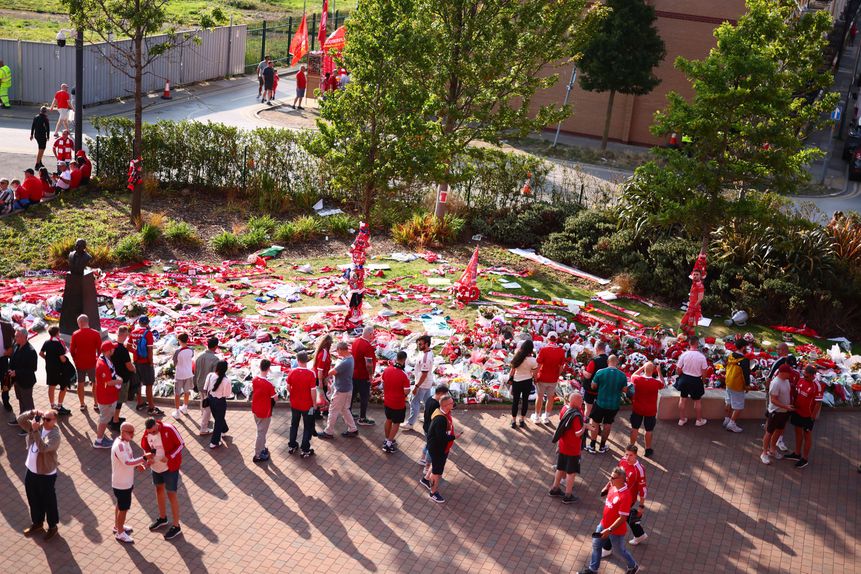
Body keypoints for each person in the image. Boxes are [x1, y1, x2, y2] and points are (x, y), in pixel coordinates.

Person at [577, 466, 639, 574]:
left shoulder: (625, 496)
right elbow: (609, 486)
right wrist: (605, 488)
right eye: (610, 476)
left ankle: (633, 565)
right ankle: (593, 570)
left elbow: (622, 518)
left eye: (613, 477)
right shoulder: (612, 486)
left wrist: (609, 530)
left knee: (619, 550)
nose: (610, 479)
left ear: (621, 479)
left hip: (616, 531)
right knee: (596, 545)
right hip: (603, 524)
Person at [18, 408, 61, 540]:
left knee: (48, 501)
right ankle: (37, 523)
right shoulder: (38, 426)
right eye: (43, 418)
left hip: (46, 474)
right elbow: (20, 420)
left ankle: (52, 527)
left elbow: (43, 448)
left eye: (48, 419)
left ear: (54, 421)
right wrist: (32, 412)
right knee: (33, 498)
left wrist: (35, 431)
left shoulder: (55, 436)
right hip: (31, 470)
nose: (44, 421)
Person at [141, 417, 184, 540]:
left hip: (170, 467)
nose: (152, 434)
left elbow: (181, 444)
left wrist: (169, 456)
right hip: (156, 467)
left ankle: (176, 526)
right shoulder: (147, 433)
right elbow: (145, 447)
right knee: (159, 489)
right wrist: (148, 456)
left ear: (156, 424)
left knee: (171, 494)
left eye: (154, 431)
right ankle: (162, 518)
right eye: (149, 432)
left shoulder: (169, 429)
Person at [602, 446, 649, 555]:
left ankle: (606, 548)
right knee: (626, 516)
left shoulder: (639, 469)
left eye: (630, 455)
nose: (627, 457)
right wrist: (607, 487)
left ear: (636, 455)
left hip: (627, 499)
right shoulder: (622, 461)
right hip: (617, 494)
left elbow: (643, 489)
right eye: (626, 454)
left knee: (615, 519)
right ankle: (639, 534)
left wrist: (641, 506)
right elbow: (615, 475)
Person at [111, 422, 153, 543]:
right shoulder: (120, 446)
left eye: (133, 432)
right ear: (123, 432)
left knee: (120, 505)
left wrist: (137, 465)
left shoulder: (125, 442)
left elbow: (129, 460)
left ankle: (118, 526)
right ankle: (120, 533)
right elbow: (127, 462)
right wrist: (144, 458)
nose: (132, 435)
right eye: (130, 432)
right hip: (122, 484)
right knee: (123, 508)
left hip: (125, 482)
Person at [549, 392, 587, 504]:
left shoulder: (564, 409)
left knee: (560, 468)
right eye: (580, 400)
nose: (582, 402)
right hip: (572, 449)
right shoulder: (577, 414)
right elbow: (578, 433)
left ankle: (554, 489)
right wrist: (585, 427)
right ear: (575, 401)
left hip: (563, 445)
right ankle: (568, 495)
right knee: (571, 472)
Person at [423, 395, 461, 503]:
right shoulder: (440, 419)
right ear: (444, 405)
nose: (453, 404)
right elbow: (441, 438)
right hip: (438, 449)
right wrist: (454, 437)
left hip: (440, 447)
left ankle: (426, 479)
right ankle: (433, 493)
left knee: (435, 465)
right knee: (437, 473)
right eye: (451, 403)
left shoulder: (442, 412)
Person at [587, 355, 628, 454]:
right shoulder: (622, 375)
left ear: (607, 362)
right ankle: (602, 446)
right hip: (613, 405)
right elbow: (625, 390)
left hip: (600, 402)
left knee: (595, 423)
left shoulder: (600, 372)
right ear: (617, 363)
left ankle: (592, 445)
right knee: (607, 425)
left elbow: (593, 386)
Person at [784, 366, 824, 469]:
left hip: (808, 416)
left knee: (807, 436)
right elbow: (797, 394)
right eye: (804, 375)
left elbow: (818, 403)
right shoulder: (801, 380)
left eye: (806, 376)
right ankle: (797, 453)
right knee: (797, 432)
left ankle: (805, 458)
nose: (804, 377)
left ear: (812, 375)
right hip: (797, 412)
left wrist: (812, 417)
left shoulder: (817, 386)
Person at [320, 341, 358, 439]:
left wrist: (331, 369)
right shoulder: (350, 358)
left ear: (341, 350)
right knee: (345, 409)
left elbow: (331, 372)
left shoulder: (345, 362)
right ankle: (353, 429)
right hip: (348, 388)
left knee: (333, 410)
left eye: (337, 351)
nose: (337, 353)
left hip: (341, 390)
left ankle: (328, 432)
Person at [760, 364, 795, 465]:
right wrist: (786, 406)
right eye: (788, 373)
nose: (790, 375)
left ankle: (772, 449)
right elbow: (773, 400)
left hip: (784, 412)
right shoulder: (775, 383)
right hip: (775, 412)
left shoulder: (786, 381)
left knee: (779, 431)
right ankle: (764, 453)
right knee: (769, 432)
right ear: (783, 373)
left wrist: (787, 407)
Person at [628, 361, 664, 457]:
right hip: (650, 410)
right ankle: (647, 449)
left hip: (637, 408)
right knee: (649, 430)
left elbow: (633, 375)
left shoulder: (637, 379)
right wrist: (659, 372)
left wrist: (642, 367)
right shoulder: (656, 383)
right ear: (653, 371)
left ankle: (631, 447)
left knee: (635, 428)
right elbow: (663, 383)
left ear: (644, 369)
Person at [6, 328, 38, 435]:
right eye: (15, 335)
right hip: (17, 381)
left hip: (26, 382)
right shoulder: (16, 345)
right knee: (21, 400)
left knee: (28, 403)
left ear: (24, 337)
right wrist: (10, 369)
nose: (15, 338)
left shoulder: (31, 351)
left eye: (17, 336)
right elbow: (12, 360)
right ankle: (21, 419)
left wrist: (17, 372)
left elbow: (32, 369)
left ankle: (30, 426)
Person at [287, 351, 318, 457]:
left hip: (295, 404)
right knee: (307, 426)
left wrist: (293, 395)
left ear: (297, 360)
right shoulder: (311, 374)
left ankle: (292, 445)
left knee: (294, 425)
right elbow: (313, 391)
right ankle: (305, 449)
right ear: (307, 360)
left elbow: (288, 386)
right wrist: (314, 403)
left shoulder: (292, 372)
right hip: (307, 405)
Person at [70, 313, 101, 413]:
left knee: (80, 383)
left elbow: (72, 350)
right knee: (95, 383)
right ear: (87, 322)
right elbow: (100, 350)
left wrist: (75, 360)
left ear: (80, 323)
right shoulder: (96, 333)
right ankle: (96, 403)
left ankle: (82, 404)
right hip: (93, 362)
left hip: (80, 363)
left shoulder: (75, 334)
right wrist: (99, 361)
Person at [94, 341, 123, 449]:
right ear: (108, 351)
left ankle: (100, 437)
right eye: (112, 348)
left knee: (105, 418)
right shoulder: (102, 365)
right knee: (104, 419)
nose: (114, 349)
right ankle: (99, 441)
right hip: (106, 397)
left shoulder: (105, 359)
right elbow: (109, 382)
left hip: (108, 395)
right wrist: (119, 381)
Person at [132, 316, 162, 416]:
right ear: (147, 323)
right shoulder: (148, 333)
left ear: (139, 322)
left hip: (136, 361)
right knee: (149, 384)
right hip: (145, 362)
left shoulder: (133, 332)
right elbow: (149, 349)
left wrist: (135, 353)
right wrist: (151, 362)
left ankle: (139, 403)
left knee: (138, 383)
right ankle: (151, 407)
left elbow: (128, 345)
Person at [533, 331, 566, 424]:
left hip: (542, 377)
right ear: (556, 339)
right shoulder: (561, 351)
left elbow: (538, 365)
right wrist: (557, 376)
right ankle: (546, 417)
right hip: (553, 378)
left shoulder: (544, 350)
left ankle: (537, 417)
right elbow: (561, 367)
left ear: (548, 339)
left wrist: (535, 376)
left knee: (539, 397)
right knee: (550, 397)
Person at [676, 335, 709, 427]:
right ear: (697, 344)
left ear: (689, 343)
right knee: (697, 401)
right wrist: (703, 381)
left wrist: (681, 376)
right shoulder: (701, 357)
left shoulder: (684, 354)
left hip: (685, 379)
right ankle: (698, 420)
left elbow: (678, 369)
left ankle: (681, 419)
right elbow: (704, 372)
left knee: (682, 399)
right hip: (696, 380)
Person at [382, 351, 411, 453]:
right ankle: (389, 444)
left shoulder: (387, 370)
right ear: (404, 360)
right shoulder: (404, 375)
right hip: (398, 403)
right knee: (396, 423)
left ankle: (387, 439)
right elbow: (406, 391)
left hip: (387, 401)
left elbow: (383, 384)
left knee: (388, 419)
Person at [40, 326, 73, 416]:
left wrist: (48, 359)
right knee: (63, 386)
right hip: (59, 369)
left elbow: (41, 353)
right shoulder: (58, 344)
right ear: (57, 333)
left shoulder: (47, 342)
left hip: (50, 368)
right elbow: (62, 359)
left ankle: (52, 405)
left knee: (51, 386)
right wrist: (66, 361)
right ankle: (59, 406)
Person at [405, 334, 434, 430]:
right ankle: (427, 418)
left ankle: (410, 423)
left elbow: (424, 374)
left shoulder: (426, 358)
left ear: (426, 344)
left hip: (422, 384)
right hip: (427, 383)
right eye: (418, 343)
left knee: (414, 403)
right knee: (427, 402)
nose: (418, 345)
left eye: (420, 344)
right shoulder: (428, 352)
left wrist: (416, 386)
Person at [251, 359, 277, 462]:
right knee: (261, 433)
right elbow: (275, 398)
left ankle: (262, 448)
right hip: (265, 411)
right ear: (268, 368)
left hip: (256, 409)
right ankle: (258, 454)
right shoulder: (269, 384)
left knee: (261, 430)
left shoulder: (255, 379)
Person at [110, 326, 135, 432]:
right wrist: (134, 369)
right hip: (122, 378)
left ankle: (112, 417)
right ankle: (115, 421)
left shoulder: (111, 344)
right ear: (125, 334)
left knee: (113, 399)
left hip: (112, 377)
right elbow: (129, 366)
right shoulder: (123, 350)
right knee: (119, 401)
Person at [723, 339, 751, 433]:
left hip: (729, 382)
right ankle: (731, 424)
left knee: (728, 402)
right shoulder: (744, 360)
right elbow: (746, 375)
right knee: (738, 406)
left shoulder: (730, 356)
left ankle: (726, 420)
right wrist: (747, 386)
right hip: (737, 385)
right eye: (746, 347)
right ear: (743, 347)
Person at [351, 326, 377, 426]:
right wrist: (370, 375)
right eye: (372, 334)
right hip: (363, 376)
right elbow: (368, 364)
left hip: (354, 374)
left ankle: (348, 413)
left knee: (352, 395)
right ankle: (362, 418)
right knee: (364, 397)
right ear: (370, 334)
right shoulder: (367, 346)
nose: (373, 336)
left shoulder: (356, 341)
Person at [508, 338, 537, 428]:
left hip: (517, 381)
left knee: (515, 401)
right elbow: (534, 373)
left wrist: (510, 379)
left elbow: (512, 371)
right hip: (527, 381)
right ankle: (522, 420)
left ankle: (513, 420)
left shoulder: (517, 356)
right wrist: (535, 379)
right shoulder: (533, 360)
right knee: (525, 401)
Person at [419, 384, 450, 468]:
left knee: (428, 444)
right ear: (440, 393)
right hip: (431, 429)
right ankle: (427, 465)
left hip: (426, 426)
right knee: (432, 448)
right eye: (445, 394)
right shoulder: (436, 405)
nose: (446, 396)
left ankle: (422, 459)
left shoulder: (430, 398)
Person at [203, 360, 231, 449]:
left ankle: (224, 429)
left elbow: (205, 387)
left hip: (211, 399)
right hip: (220, 401)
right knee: (218, 420)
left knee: (218, 417)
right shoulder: (226, 380)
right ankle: (214, 442)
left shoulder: (210, 375)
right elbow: (227, 394)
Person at [194, 337, 219, 435]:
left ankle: (205, 419)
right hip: (208, 387)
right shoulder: (215, 359)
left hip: (200, 384)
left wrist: (195, 384)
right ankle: (203, 428)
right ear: (216, 346)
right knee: (208, 407)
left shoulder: (199, 356)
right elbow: (214, 376)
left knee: (203, 402)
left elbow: (195, 372)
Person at [582, 341, 609, 418]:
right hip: (603, 389)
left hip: (591, 389)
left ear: (596, 349)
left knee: (588, 408)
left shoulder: (594, 360)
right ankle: (597, 422)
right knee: (600, 408)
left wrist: (582, 370)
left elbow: (588, 375)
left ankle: (586, 421)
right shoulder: (609, 360)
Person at [171, 333, 194, 418]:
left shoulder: (177, 351)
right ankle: (185, 407)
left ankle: (177, 412)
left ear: (179, 340)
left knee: (177, 394)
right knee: (186, 392)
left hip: (179, 374)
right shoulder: (191, 350)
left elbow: (174, 363)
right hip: (189, 373)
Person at [312, 334, 333, 420]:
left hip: (320, 377)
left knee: (322, 394)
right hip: (319, 377)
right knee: (320, 395)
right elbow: (320, 369)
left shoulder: (324, 351)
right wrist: (321, 381)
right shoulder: (324, 353)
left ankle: (324, 410)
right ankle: (317, 413)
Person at [1, 318, 14, 412]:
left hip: (3, 359)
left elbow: (16, 338)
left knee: (5, 381)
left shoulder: (6, 326)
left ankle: (6, 401)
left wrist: (11, 348)